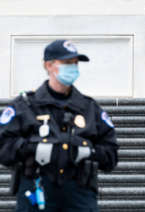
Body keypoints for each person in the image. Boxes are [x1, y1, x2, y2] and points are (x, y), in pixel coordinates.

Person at [0, 40, 118, 211]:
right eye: (67, 63)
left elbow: (111, 155)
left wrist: (87, 151)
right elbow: (3, 146)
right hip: (37, 192)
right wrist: (33, 148)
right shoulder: (25, 106)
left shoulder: (90, 109)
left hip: (79, 195)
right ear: (49, 65)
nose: (73, 68)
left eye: (75, 63)